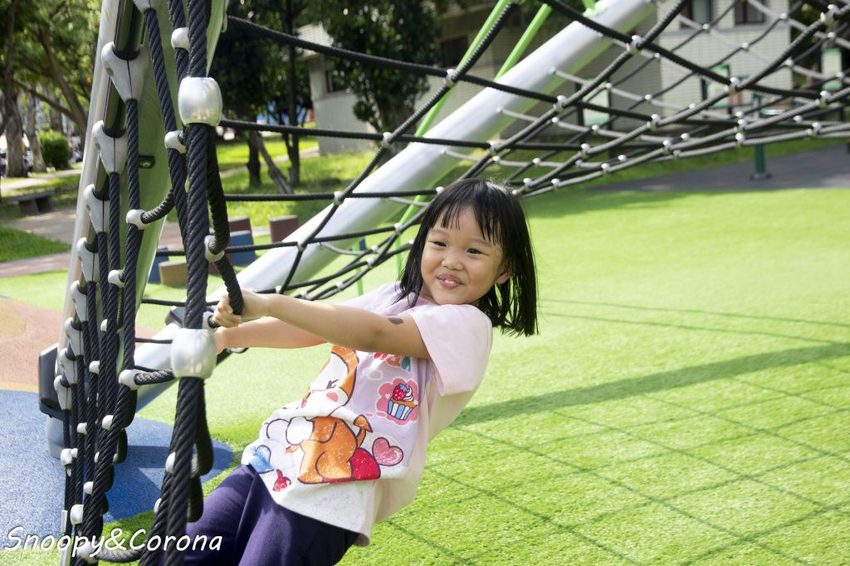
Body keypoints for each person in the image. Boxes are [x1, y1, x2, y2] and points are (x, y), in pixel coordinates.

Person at [188, 178, 538, 565]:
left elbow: (373, 333)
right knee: (181, 551)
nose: (451, 260)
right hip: (278, 453)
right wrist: (228, 337)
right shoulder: (394, 297)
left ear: (504, 269)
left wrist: (271, 303)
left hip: (335, 487)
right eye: (439, 243)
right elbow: (314, 327)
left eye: (473, 251)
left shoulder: (467, 325)